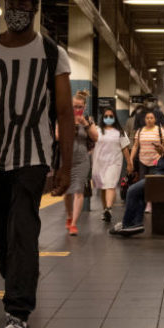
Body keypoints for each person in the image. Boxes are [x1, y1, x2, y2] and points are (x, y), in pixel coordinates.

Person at [0, 0, 73, 328]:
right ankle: (19, 287)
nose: (16, 10)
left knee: (22, 231)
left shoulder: (50, 52)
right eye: (11, 4)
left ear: (34, 8)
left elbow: (64, 112)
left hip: (32, 157)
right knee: (0, 234)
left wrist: (65, 167)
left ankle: (17, 315)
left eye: (23, 4)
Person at [109, 110, 164, 236]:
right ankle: (135, 223)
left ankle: (127, 223)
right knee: (139, 193)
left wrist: (163, 151)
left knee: (132, 190)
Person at [90, 108, 130, 223]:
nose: (108, 118)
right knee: (103, 187)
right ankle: (105, 210)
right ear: (102, 118)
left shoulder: (120, 132)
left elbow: (125, 148)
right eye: (106, 116)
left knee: (110, 185)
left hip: (114, 163)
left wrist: (129, 163)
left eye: (111, 116)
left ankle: (109, 208)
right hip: (99, 163)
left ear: (115, 117)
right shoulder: (97, 130)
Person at [65, 90, 97, 236]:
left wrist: (84, 124)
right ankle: (69, 215)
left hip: (82, 160)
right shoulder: (64, 119)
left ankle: (73, 224)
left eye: (79, 107)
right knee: (67, 191)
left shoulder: (88, 120)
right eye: (74, 106)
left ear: (84, 107)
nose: (77, 110)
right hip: (65, 159)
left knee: (78, 190)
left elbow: (95, 137)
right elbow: (59, 135)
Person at [129, 112, 164, 181]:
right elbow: (135, 146)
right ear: (144, 120)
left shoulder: (160, 130)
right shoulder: (140, 131)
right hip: (142, 162)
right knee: (142, 183)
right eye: (147, 118)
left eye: (151, 118)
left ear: (155, 120)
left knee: (153, 182)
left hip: (156, 161)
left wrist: (163, 150)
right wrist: (131, 159)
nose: (149, 120)